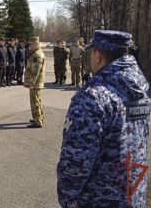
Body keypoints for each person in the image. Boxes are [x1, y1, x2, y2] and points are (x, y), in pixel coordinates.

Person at [58, 30, 150, 208]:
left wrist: (68, 199)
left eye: (92, 52)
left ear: (98, 55)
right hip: (134, 195)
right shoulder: (141, 88)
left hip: (99, 199)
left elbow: (75, 161)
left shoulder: (92, 98)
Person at [24, 36, 46, 128]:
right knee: (38, 100)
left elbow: (35, 71)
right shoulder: (37, 53)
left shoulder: (37, 55)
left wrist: (32, 83)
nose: (30, 46)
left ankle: (38, 121)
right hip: (37, 82)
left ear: (36, 44)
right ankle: (39, 117)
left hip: (35, 83)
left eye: (31, 44)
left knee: (35, 101)